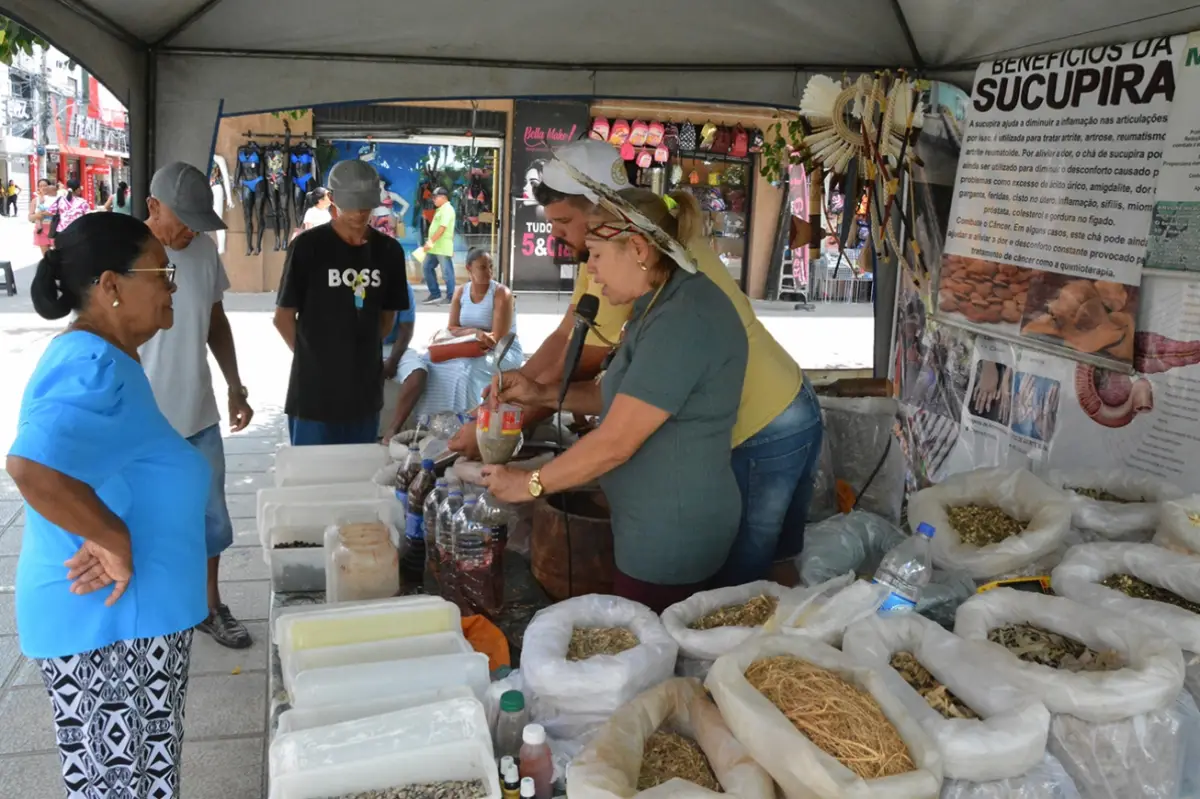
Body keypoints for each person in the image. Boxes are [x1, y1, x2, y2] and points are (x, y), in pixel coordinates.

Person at [454, 139, 824, 586]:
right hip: (723, 440)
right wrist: (527, 392)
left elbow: (606, 412)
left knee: (744, 585)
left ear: (622, 232)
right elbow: (572, 342)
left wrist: (511, 451)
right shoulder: (633, 268)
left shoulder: (661, 295)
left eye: (567, 223)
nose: (581, 258)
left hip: (766, 421)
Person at [7, 213, 207, 798]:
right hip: (107, 630)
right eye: (161, 272)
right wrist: (113, 539)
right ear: (110, 286)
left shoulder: (110, 360)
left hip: (130, 626)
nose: (173, 286)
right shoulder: (91, 363)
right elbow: (31, 466)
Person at [481, 188, 747, 612]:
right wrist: (541, 393)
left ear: (638, 248)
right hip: (650, 521)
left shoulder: (684, 320)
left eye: (598, 256)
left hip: (672, 532)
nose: (592, 271)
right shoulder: (656, 304)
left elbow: (617, 441)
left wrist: (529, 484)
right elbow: (623, 394)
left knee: (655, 650)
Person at [140, 161, 255, 650]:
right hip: (140, 422)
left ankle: (210, 607)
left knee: (210, 520)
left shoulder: (204, 250)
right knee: (142, 521)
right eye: (180, 219)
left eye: (196, 221)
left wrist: (234, 385)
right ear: (152, 207)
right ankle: (150, 613)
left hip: (199, 414)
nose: (188, 231)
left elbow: (216, 322)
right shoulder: (125, 253)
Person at [275, 158, 411, 445]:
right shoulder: (307, 247)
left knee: (357, 478)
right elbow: (283, 317)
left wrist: (358, 351)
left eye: (366, 203)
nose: (360, 212)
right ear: (333, 199)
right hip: (313, 394)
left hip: (364, 393)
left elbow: (387, 319)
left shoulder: (389, 251)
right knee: (312, 482)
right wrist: (315, 361)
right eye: (351, 204)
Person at [383, 249, 523, 438]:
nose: (488, 272)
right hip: (471, 346)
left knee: (467, 370)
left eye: (491, 267)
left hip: (502, 351)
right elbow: (452, 328)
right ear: (469, 269)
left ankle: (468, 427)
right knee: (430, 364)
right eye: (482, 267)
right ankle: (432, 424)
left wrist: (472, 336)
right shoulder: (460, 292)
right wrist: (474, 333)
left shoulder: (501, 294)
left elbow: (497, 338)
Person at [421, 186, 456, 304]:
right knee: (426, 267)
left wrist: (430, 242)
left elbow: (442, 228)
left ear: (443, 197)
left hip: (442, 247)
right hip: (434, 247)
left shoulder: (447, 209)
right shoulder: (440, 209)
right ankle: (435, 293)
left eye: (435, 198)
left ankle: (451, 297)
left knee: (447, 272)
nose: (433, 200)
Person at [29, 178, 54, 255]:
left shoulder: (56, 198)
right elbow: (30, 217)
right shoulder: (35, 200)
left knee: (59, 256)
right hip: (41, 230)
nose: (43, 187)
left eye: (45, 185)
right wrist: (36, 215)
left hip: (55, 229)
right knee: (46, 257)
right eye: (40, 186)